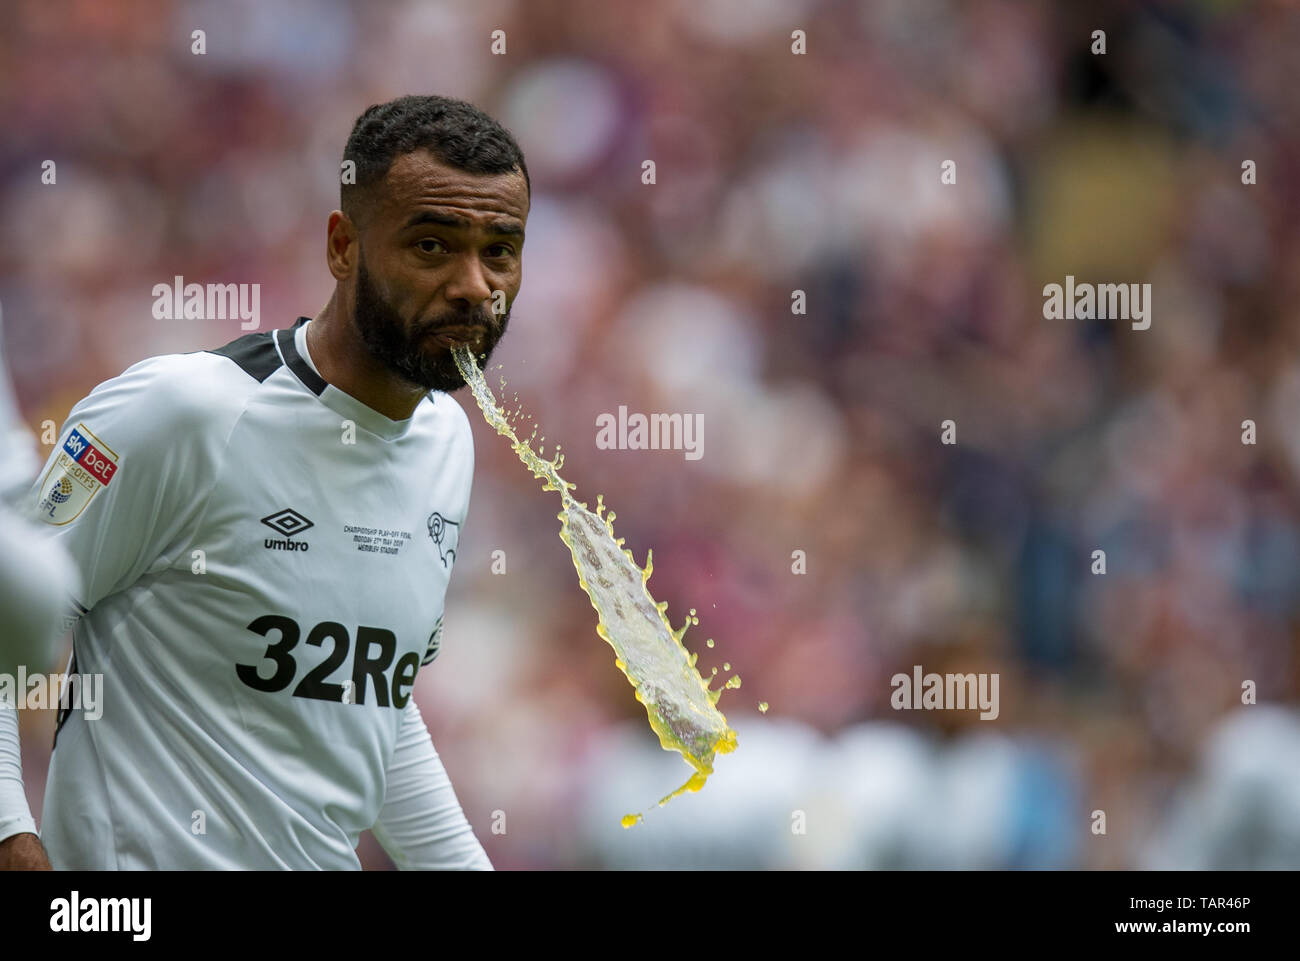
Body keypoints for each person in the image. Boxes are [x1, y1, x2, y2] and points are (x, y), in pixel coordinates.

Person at [0, 94, 529, 869]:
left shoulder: (447, 437)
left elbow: (371, 705)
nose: (474, 285)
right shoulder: (184, 412)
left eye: (501, 250)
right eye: (431, 245)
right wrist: (11, 833)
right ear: (343, 247)